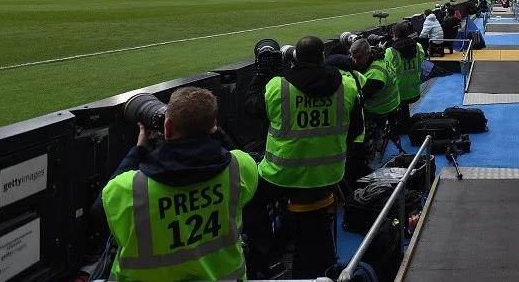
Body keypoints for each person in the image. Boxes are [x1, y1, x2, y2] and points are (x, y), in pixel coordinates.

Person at [99, 87, 258, 281]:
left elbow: (99, 213)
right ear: (213, 126)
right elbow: (234, 154)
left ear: (167, 127)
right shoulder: (239, 167)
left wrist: (139, 150)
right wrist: (214, 131)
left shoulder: (129, 188)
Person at [244, 35, 362, 278]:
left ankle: (269, 254)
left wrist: (261, 75)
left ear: (296, 57)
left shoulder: (278, 86)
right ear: (322, 57)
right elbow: (356, 130)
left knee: (250, 199)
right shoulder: (347, 86)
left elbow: (251, 108)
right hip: (330, 175)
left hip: (281, 176)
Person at [386, 21, 426, 132]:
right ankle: (405, 123)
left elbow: (386, 70)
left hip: (397, 94)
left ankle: (398, 126)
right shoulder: (417, 46)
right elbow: (421, 59)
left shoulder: (390, 51)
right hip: (415, 90)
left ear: (394, 35)